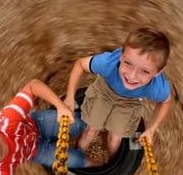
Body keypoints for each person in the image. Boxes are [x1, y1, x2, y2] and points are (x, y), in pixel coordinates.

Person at [63, 27, 172, 160]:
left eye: (144, 71)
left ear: (158, 72)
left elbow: (165, 101)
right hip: (104, 90)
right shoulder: (107, 63)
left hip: (129, 102)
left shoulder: (156, 87)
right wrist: (69, 97)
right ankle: (76, 158)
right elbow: (80, 65)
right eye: (127, 63)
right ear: (121, 55)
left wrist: (152, 129)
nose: (132, 76)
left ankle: (112, 164)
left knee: (115, 139)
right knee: (91, 130)